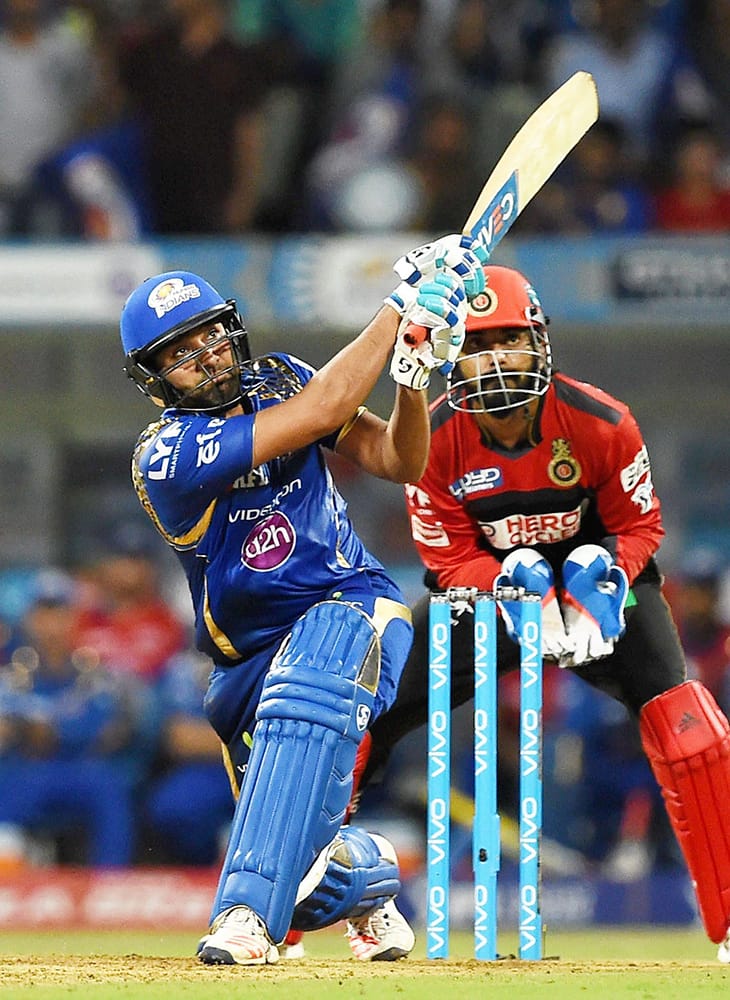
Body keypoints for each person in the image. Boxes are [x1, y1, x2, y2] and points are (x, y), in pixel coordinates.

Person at [118, 234, 488, 965]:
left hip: (355, 607)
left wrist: (411, 378)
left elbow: (400, 460)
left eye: (212, 338)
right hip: (245, 663)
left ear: (233, 331)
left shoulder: (281, 376)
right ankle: (370, 873)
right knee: (303, 878)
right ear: (156, 378)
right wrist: (396, 310)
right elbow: (324, 408)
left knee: (316, 657)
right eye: (182, 354)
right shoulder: (166, 455)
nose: (209, 358)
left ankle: (242, 921)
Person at [354, 262, 730, 962]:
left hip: (596, 595)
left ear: (539, 344)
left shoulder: (603, 422)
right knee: (365, 714)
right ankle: (285, 909)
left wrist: (606, 580)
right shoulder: (429, 439)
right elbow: (446, 559)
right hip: (489, 594)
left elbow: (642, 527)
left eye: (509, 341)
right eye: (477, 344)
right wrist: (510, 585)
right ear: (452, 356)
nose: (495, 359)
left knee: (691, 729)